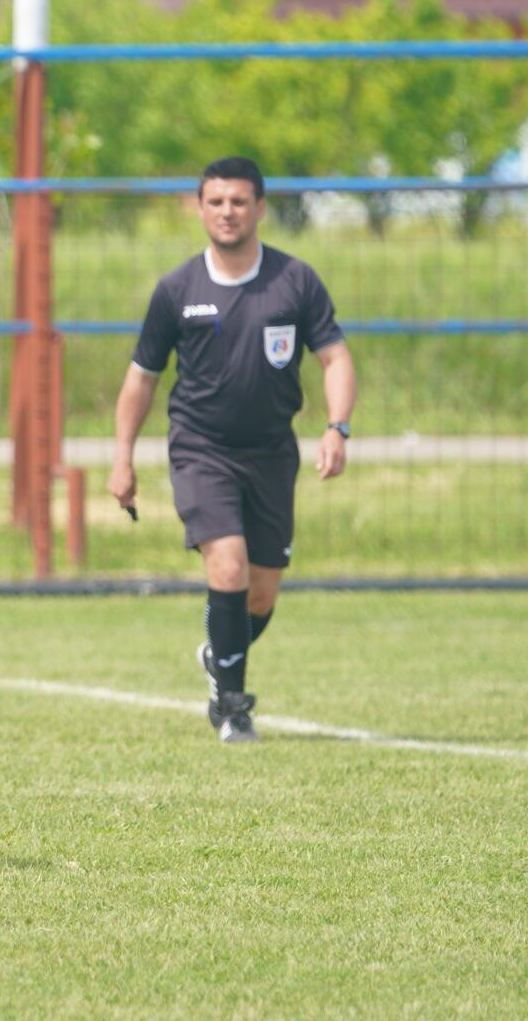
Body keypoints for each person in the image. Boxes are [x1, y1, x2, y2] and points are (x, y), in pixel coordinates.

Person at [108, 157, 356, 743]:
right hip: (201, 448)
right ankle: (234, 709)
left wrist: (336, 428)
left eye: (239, 201)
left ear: (260, 209)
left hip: (271, 453)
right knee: (228, 566)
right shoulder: (177, 289)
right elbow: (142, 377)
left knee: (261, 594)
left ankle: (217, 655)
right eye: (216, 202)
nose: (227, 212)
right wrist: (122, 457)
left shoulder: (295, 281)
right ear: (200, 209)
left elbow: (335, 358)